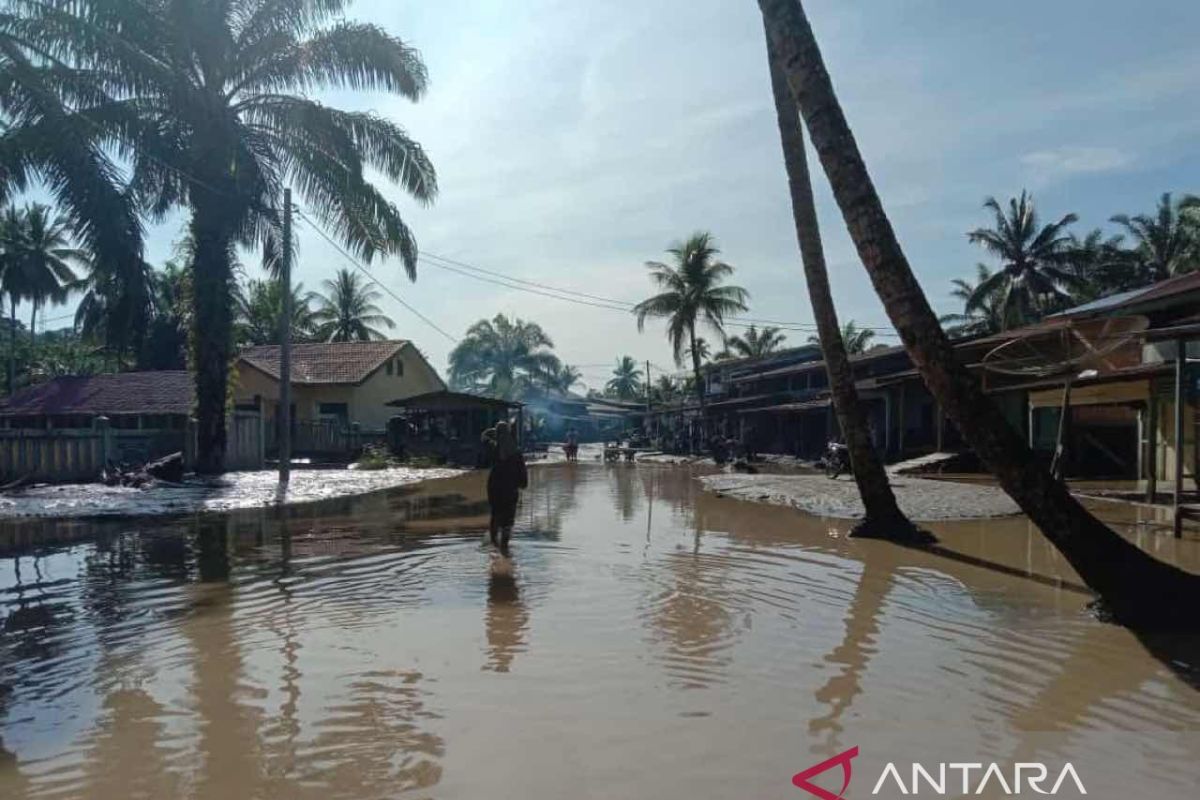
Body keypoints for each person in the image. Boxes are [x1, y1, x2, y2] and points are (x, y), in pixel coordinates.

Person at [487, 421, 528, 552]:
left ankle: (493, 545)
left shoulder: (493, 448)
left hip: (494, 488)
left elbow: (483, 437)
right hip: (510, 489)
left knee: (495, 515)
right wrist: (523, 483)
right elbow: (522, 472)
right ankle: (504, 548)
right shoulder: (516, 452)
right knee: (508, 518)